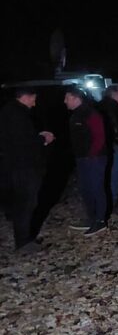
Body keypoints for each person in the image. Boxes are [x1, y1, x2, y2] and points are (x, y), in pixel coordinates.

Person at [0, 88, 54, 252]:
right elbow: (23, 142)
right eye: (33, 99)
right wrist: (43, 139)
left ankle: (24, 237)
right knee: (26, 203)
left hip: (15, 165)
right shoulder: (17, 115)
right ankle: (23, 242)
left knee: (23, 202)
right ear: (25, 97)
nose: (34, 103)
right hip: (24, 167)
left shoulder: (9, 111)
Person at [65, 87, 108, 236]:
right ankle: (91, 217)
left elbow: (99, 136)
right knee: (85, 189)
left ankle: (100, 221)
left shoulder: (90, 113)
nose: (65, 101)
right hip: (82, 158)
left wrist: (92, 154)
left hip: (94, 158)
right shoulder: (75, 115)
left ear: (76, 98)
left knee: (96, 188)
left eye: (67, 98)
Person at [100, 84, 118, 207]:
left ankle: (107, 199)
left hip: (104, 145)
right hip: (115, 144)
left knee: (107, 173)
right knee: (115, 172)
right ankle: (114, 200)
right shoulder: (114, 107)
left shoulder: (100, 105)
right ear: (115, 94)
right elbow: (117, 126)